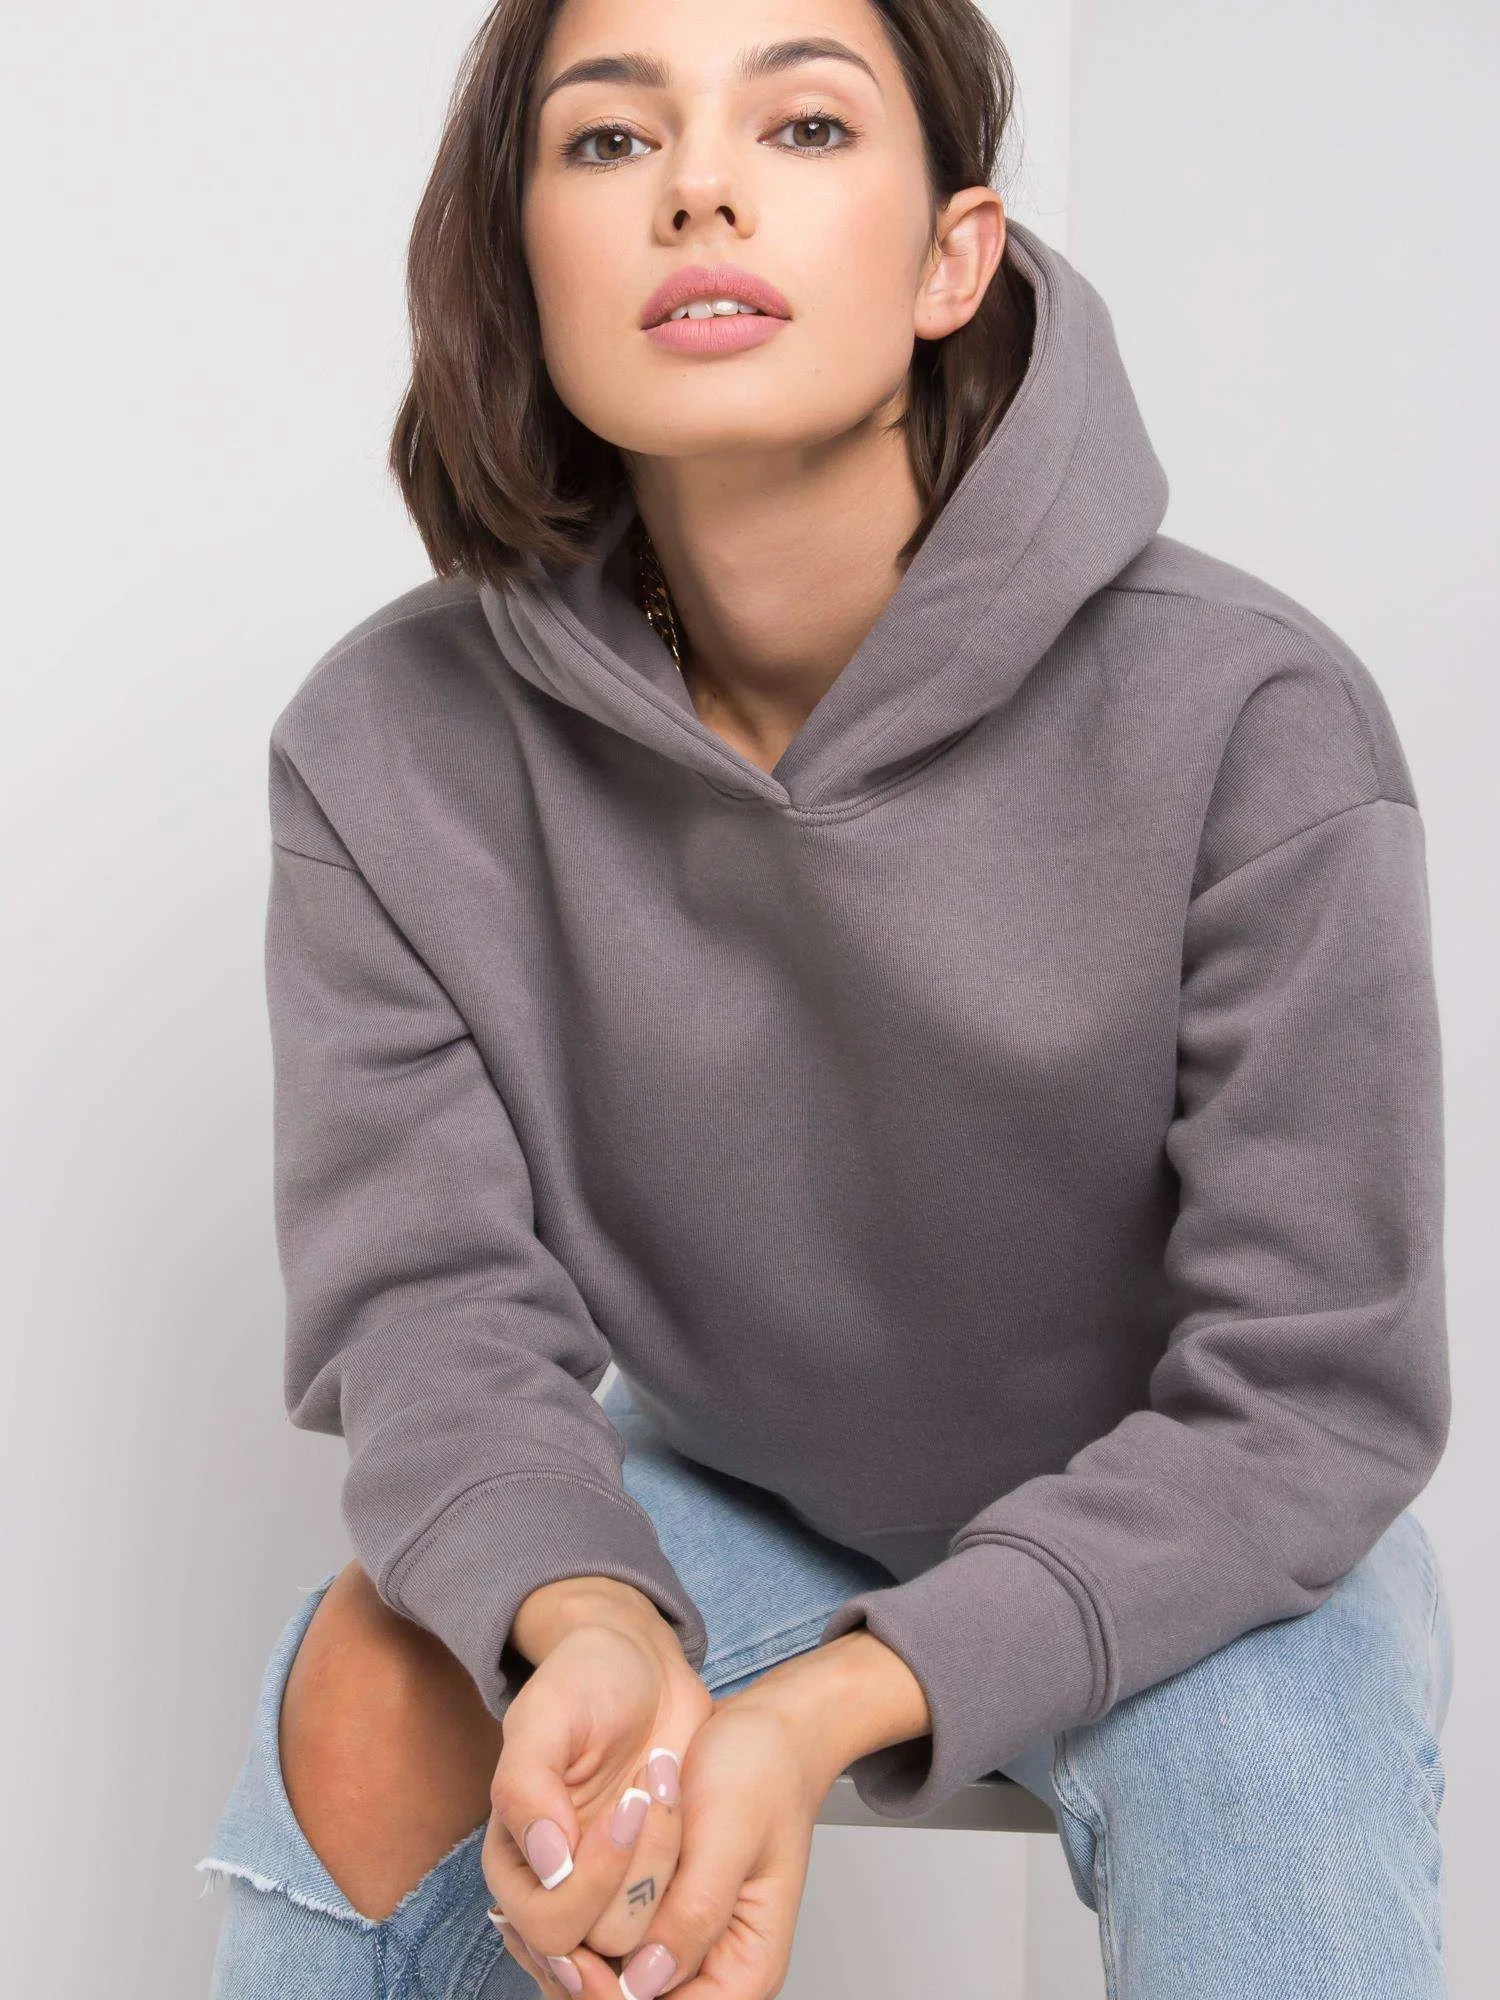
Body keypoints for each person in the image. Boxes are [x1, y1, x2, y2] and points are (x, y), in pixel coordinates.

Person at [195, 1, 1456, 1995]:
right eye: (610, 142)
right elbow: (430, 1311)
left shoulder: (1250, 714)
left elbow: (1315, 1396)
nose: (698, 186)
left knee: (1263, 1756)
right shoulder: (388, 750)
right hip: (748, 1483)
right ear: (527, 260)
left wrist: (829, 1706)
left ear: (956, 257)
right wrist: (586, 1615)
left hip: (1195, 1519)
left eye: (800, 124)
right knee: (379, 1682)